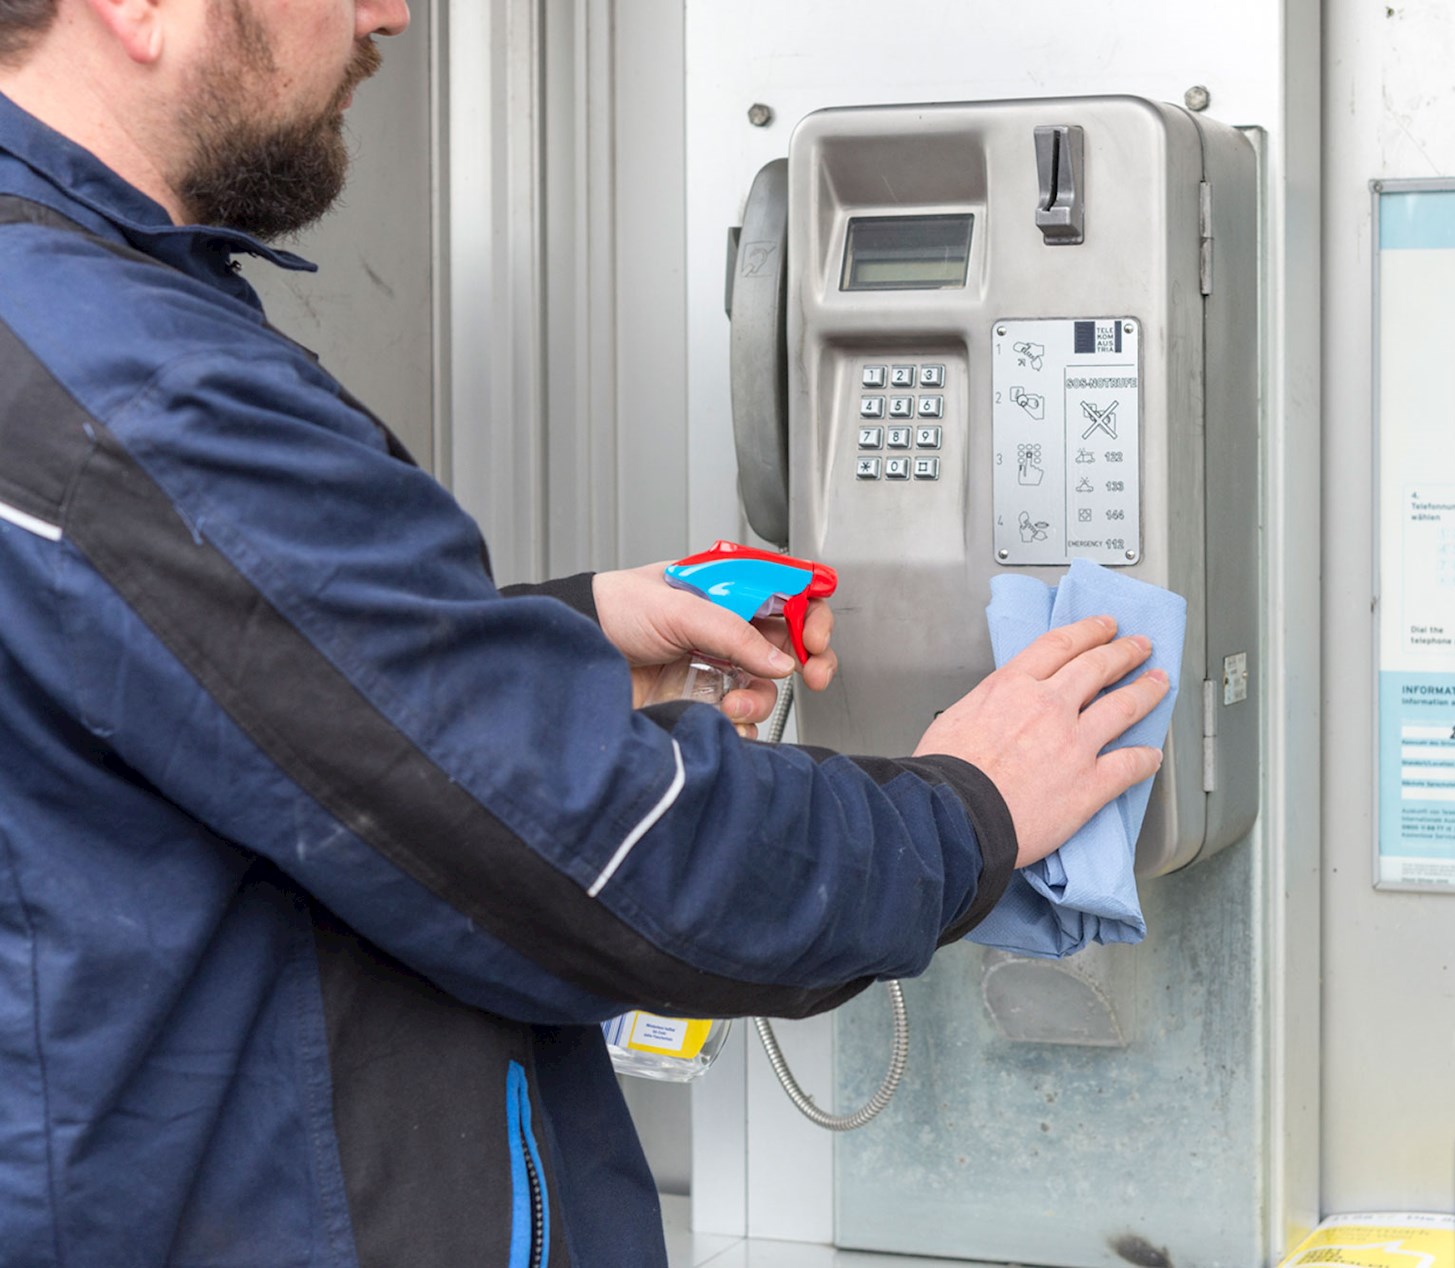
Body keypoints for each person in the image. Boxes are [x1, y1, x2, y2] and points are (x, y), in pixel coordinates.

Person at [0, 2, 1170, 1264]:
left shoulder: (62, 328)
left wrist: (563, 636)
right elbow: (607, 859)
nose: (389, 11)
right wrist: (970, 811)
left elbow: (218, 684)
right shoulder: (138, 388)